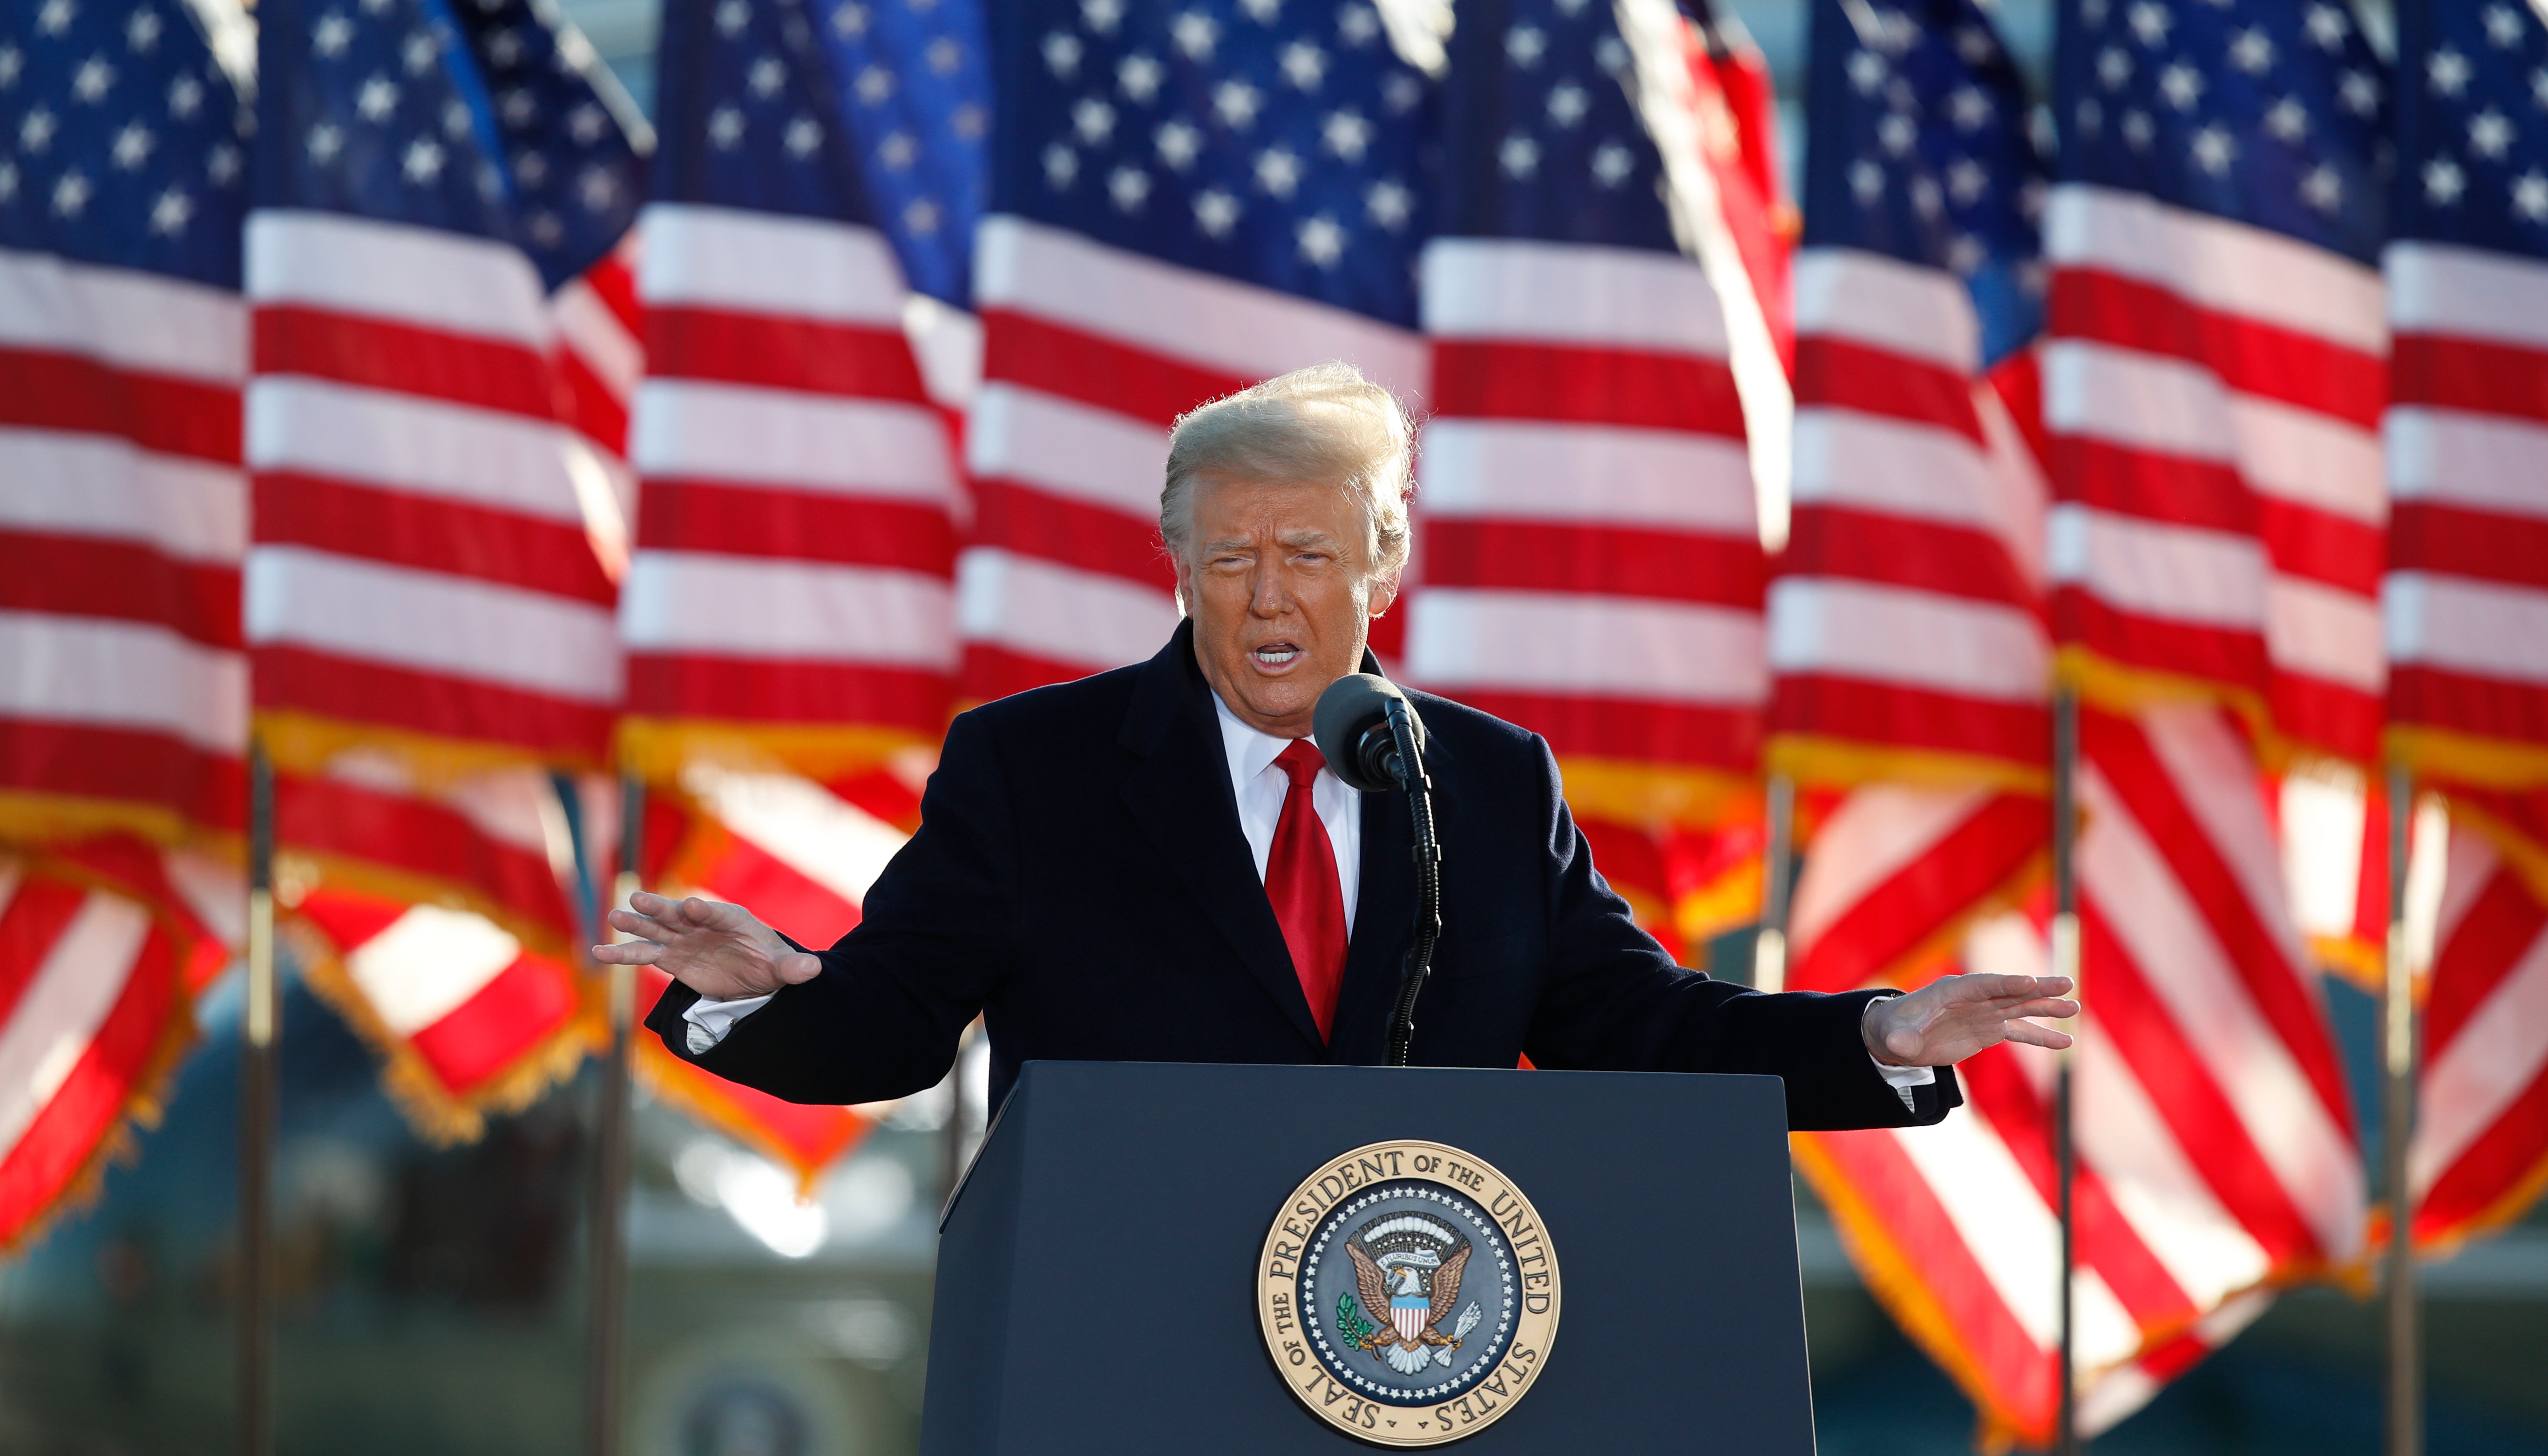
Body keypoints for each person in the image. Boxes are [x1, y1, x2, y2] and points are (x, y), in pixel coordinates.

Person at [596, 363, 2075, 1128]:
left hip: (1418, 1348)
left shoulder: (1488, 783)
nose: (1267, 596)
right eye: (1228, 557)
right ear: (1180, 571)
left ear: (1383, 569)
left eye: (1307, 555)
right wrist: (767, 990)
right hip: (1125, 1345)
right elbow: (896, 1026)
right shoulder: (1034, 770)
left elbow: (1641, 1030)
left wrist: (1877, 1038)